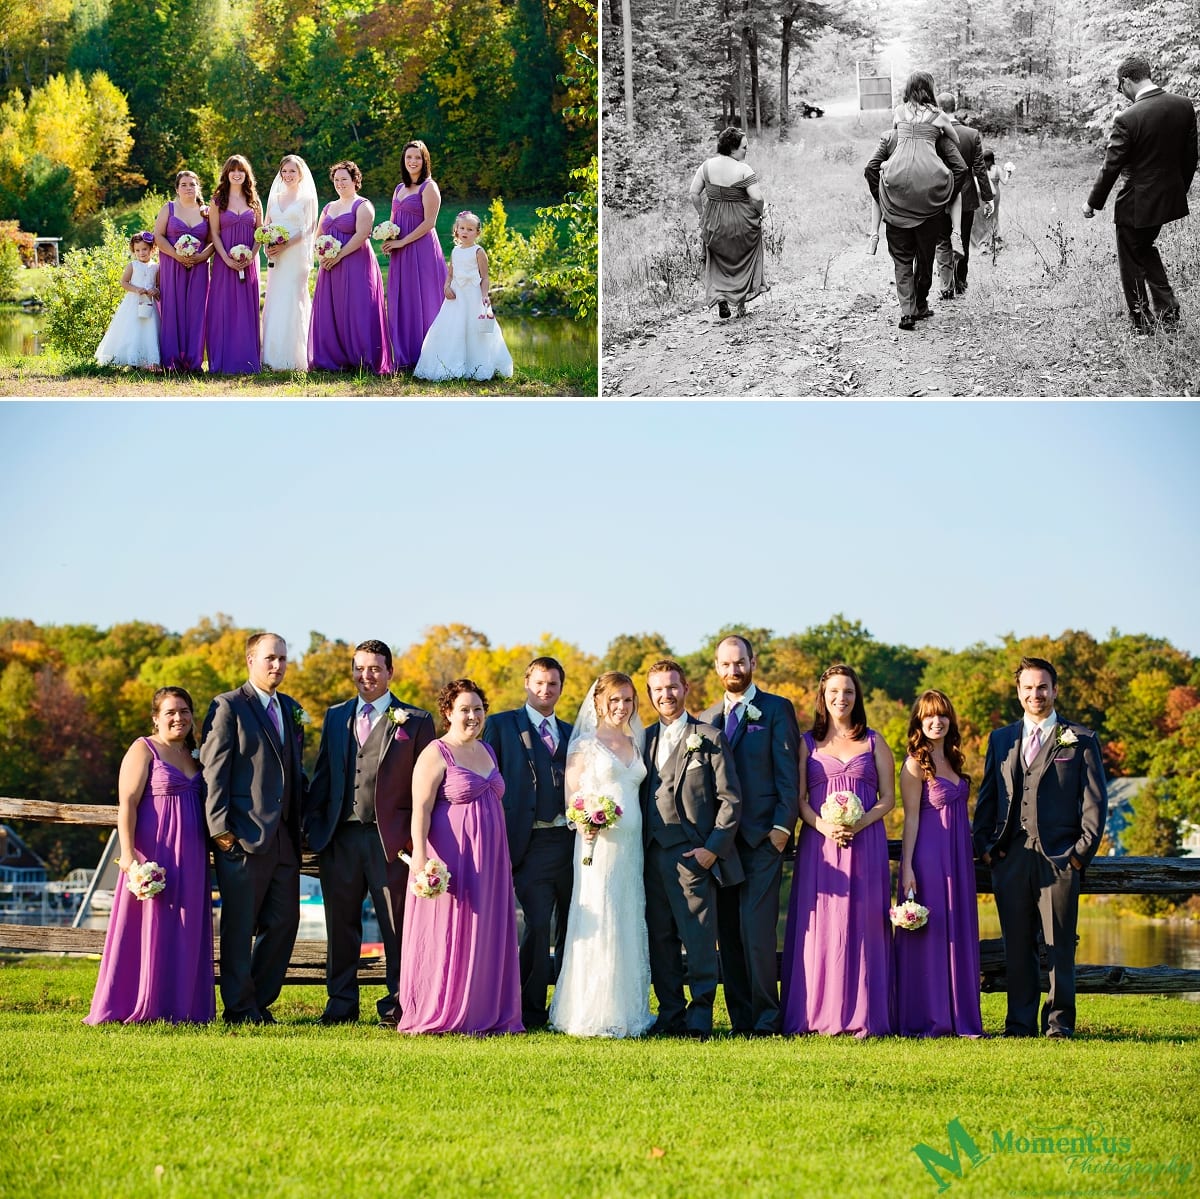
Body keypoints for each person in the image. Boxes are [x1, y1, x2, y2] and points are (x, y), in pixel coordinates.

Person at [972, 657, 1107, 1038]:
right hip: (1010, 857)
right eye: (1028, 688)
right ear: (1018, 692)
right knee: (1017, 945)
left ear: (1055, 690)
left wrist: (1079, 854)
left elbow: (1095, 803)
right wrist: (984, 846)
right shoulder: (1001, 739)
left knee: (1059, 945)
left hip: (1060, 858)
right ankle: (1019, 1024)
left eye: (1043, 687)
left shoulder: (1080, 739)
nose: (1036, 694)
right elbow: (988, 796)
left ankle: (1060, 1023)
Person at [304, 639, 436, 1027]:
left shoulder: (415, 720)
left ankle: (398, 1004)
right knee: (341, 926)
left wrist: (417, 839)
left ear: (390, 672)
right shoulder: (336, 716)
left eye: (375, 668)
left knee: (397, 927)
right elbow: (324, 775)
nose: (367, 675)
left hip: (390, 841)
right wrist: (315, 827)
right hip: (340, 838)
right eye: (360, 668)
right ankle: (341, 1005)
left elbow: (425, 785)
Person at [397, 679, 522, 1034]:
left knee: (486, 930)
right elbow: (419, 810)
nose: (472, 716)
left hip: (490, 859)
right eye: (464, 710)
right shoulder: (436, 753)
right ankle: (446, 1009)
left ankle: (486, 1009)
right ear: (448, 713)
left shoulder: (487, 751)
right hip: (451, 858)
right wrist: (420, 858)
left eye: (478, 709)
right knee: (450, 930)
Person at [85, 687, 214, 1024]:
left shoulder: (196, 755)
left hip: (193, 856)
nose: (178, 718)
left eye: (184, 711)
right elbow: (126, 803)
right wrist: (128, 856)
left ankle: (184, 1007)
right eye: (170, 712)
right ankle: (134, 1003)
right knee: (146, 927)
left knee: (186, 929)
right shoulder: (143, 750)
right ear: (156, 717)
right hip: (154, 854)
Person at [780, 664, 895, 1037]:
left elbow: (889, 799)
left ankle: (866, 1014)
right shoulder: (807, 743)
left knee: (864, 927)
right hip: (821, 847)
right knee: (822, 929)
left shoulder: (875, 742)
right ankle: (816, 1014)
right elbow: (798, 800)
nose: (840, 698)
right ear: (822, 696)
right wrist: (825, 826)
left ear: (856, 697)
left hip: (866, 845)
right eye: (833, 692)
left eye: (847, 692)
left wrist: (858, 824)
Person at [201, 632, 306, 1024]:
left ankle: (258, 1002)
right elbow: (214, 773)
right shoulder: (228, 706)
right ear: (250, 661)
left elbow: (293, 774)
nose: (277, 665)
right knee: (239, 927)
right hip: (241, 838)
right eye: (269, 658)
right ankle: (239, 1008)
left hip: (284, 840)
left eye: (282, 658)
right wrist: (220, 831)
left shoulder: (291, 708)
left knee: (284, 923)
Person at [700, 635, 799, 1037]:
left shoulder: (776, 709)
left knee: (757, 932)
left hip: (762, 840)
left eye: (739, 663)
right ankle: (741, 1019)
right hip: (721, 845)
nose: (733, 671)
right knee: (729, 934)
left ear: (752, 663)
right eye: (725, 665)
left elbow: (789, 773)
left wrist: (781, 828)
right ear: (717, 668)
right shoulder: (706, 719)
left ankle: (766, 1018)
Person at [641, 659, 742, 1040]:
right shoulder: (643, 739)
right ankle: (670, 1013)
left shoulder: (709, 737)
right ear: (650, 695)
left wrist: (712, 850)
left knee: (698, 938)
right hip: (650, 855)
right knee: (660, 939)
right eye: (657, 689)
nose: (665, 694)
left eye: (671, 687)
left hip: (692, 856)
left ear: (685, 689)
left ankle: (701, 1015)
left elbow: (730, 800)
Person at [548, 673, 654, 1037]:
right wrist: (586, 821)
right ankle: (591, 1011)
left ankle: (628, 1011)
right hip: (598, 846)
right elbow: (571, 799)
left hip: (631, 847)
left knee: (627, 915)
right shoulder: (585, 745)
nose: (622, 707)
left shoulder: (637, 740)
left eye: (628, 700)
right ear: (599, 703)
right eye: (615, 700)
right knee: (602, 915)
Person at [481, 656, 573, 1030]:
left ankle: (567, 1008)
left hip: (570, 843)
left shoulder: (572, 733)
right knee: (536, 926)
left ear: (561, 688)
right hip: (528, 842)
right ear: (526, 683)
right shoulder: (502, 726)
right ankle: (530, 1009)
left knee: (573, 927)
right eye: (538, 683)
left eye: (552, 684)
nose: (545, 690)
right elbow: (486, 780)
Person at [1084, 54, 1198, 333]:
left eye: (1119, 87)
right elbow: (1190, 158)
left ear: (1126, 81)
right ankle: (1169, 311)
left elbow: (1111, 166)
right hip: (1166, 199)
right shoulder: (1183, 106)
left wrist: (1092, 203)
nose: (1121, 93)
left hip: (1135, 204)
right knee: (1144, 248)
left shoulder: (1128, 117)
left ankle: (1142, 321)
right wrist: (1175, 191)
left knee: (1131, 259)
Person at [895, 690, 983, 1038]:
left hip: (959, 858)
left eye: (943, 715)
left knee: (958, 932)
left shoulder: (953, 759)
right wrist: (907, 867)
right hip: (929, 858)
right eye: (929, 716)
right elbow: (911, 819)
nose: (936, 721)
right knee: (932, 937)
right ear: (918, 721)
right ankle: (929, 1017)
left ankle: (960, 1015)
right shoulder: (914, 763)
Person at [865, 72, 968, 331]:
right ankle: (919, 304)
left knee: (901, 260)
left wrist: (884, 199)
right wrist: (945, 196)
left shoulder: (896, 121)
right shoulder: (939, 121)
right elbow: (959, 160)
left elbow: (872, 167)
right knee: (924, 259)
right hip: (929, 207)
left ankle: (907, 312)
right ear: (930, 90)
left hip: (897, 204)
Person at [309, 160, 393, 374]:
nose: (339, 183)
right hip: (329, 265)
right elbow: (318, 234)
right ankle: (333, 358)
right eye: (336, 180)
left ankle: (362, 358)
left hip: (356, 263)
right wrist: (322, 255)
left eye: (344, 179)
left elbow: (362, 235)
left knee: (357, 308)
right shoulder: (328, 207)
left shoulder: (363, 205)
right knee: (333, 308)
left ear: (355, 180)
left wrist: (339, 256)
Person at [414, 210, 513, 381]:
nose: (465, 232)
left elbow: (485, 277)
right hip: (456, 297)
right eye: (462, 228)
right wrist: (446, 287)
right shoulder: (455, 251)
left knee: (475, 330)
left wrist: (484, 295)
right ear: (456, 230)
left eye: (470, 229)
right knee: (451, 328)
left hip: (473, 296)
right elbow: (451, 274)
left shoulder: (478, 251)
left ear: (477, 233)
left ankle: (477, 366)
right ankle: (450, 364)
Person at [380, 140, 447, 369]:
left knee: (425, 298)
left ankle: (429, 357)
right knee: (403, 298)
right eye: (409, 157)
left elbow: (430, 223)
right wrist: (389, 239)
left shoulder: (429, 187)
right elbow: (393, 217)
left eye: (417, 157)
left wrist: (403, 242)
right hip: (400, 251)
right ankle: (405, 356)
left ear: (424, 160)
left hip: (422, 249)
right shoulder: (399, 188)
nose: (412, 161)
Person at [688, 127, 768, 319]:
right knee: (741, 261)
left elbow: (693, 193)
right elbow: (757, 198)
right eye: (744, 148)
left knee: (717, 262)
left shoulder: (706, 166)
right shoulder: (743, 169)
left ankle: (721, 298)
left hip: (713, 222)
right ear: (732, 148)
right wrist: (759, 214)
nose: (746, 151)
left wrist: (702, 215)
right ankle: (740, 305)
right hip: (741, 222)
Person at [931, 92, 993, 298]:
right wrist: (988, 197)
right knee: (963, 239)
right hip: (965, 196)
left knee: (942, 240)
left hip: (939, 196)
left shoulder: (934, 133)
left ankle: (946, 284)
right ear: (955, 106)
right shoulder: (971, 134)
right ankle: (961, 281)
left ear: (938, 107)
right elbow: (980, 168)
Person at [260, 154, 318, 371]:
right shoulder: (274, 197)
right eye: (284, 171)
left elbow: (309, 228)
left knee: (294, 299)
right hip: (277, 255)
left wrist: (286, 244)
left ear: (300, 173)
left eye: (292, 171)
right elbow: (267, 225)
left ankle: (296, 357)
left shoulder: (307, 199)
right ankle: (272, 356)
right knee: (275, 298)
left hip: (295, 256)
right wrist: (267, 244)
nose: (288, 175)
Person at [206, 154, 262, 374]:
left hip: (249, 262)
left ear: (246, 174)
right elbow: (215, 233)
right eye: (233, 170)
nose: (237, 174)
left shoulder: (254, 200)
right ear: (227, 173)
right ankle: (222, 361)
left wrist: (251, 255)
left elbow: (260, 233)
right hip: (224, 262)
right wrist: (226, 259)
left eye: (241, 170)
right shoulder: (217, 200)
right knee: (223, 307)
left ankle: (247, 361)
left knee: (246, 310)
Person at [153, 170, 213, 372]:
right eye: (184, 185)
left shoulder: (206, 211)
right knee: (173, 310)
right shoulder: (168, 209)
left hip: (199, 268)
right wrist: (176, 255)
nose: (188, 188)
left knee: (197, 312)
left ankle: (194, 362)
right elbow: (158, 237)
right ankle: (171, 362)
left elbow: (215, 240)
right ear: (177, 189)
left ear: (198, 187)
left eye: (192, 184)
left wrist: (202, 256)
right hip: (172, 266)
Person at [94, 232, 161, 370]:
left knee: (148, 330)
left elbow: (158, 285)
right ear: (133, 251)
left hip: (149, 303)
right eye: (137, 250)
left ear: (152, 249)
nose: (141, 253)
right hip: (133, 303)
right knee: (132, 329)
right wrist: (136, 289)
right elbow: (124, 282)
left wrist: (156, 290)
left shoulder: (156, 267)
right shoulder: (133, 265)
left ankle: (149, 361)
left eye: (144, 249)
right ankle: (131, 360)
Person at [971, 151, 1006, 251]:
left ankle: (992, 238)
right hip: (984, 196)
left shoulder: (992, 169)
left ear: (990, 160)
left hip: (990, 195)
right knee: (984, 217)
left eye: (986, 161)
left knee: (992, 216)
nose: (984, 163)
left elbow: (1002, 184)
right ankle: (989, 238)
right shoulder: (982, 170)